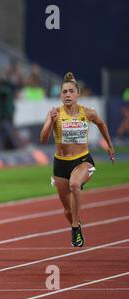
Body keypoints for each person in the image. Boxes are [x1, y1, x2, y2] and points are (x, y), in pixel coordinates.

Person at [40, 72, 115, 247]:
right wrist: (51, 123)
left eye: (71, 91)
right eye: (64, 92)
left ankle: (74, 229)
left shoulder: (87, 113)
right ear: (60, 95)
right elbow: (43, 139)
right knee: (67, 210)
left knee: (75, 184)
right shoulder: (54, 113)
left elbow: (102, 123)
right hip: (60, 164)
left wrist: (110, 145)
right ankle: (77, 224)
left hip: (82, 160)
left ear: (77, 94)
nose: (67, 95)